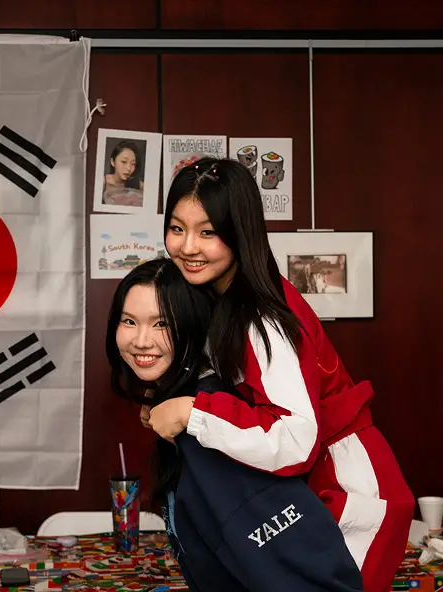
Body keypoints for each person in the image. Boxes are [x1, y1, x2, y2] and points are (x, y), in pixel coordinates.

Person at [144, 157, 414, 592]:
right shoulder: (219, 299)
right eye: (177, 228)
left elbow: (295, 439)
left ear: (240, 232)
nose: (188, 247)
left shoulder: (262, 317)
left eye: (208, 232)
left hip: (347, 490)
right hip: (303, 491)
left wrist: (192, 413)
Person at [106, 257, 363, 592]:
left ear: (192, 325)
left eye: (161, 324)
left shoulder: (214, 422)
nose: (141, 340)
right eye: (129, 321)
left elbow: (305, 571)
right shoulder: (180, 411)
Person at [102, 140, 144, 207]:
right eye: (124, 162)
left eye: (133, 164)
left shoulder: (135, 183)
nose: (129, 168)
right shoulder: (103, 183)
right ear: (113, 162)